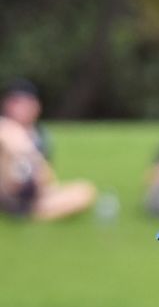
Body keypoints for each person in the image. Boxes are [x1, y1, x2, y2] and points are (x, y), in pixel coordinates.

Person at [0, 80, 97, 221]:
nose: (20, 108)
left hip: (32, 194)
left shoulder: (41, 137)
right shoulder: (5, 128)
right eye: (15, 102)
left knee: (85, 191)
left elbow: (46, 176)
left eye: (25, 103)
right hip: (6, 189)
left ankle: (30, 213)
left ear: (36, 106)